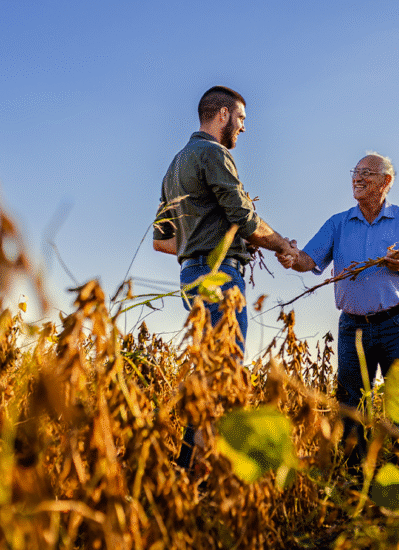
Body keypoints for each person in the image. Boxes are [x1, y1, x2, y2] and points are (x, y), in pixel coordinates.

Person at [153, 85, 297, 469]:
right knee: (223, 375)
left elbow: (161, 241)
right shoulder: (212, 153)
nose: (244, 128)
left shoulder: (174, 167)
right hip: (219, 278)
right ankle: (207, 474)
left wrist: (201, 242)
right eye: (242, 119)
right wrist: (282, 245)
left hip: (191, 275)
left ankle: (185, 466)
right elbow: (245, 217)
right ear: (222, 115)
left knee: (207, 372)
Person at [278, 152, 399, 471]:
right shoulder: (338, 224)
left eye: (367, 173)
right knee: (351, 403)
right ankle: (355, 475)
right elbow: (309, 261)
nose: (358, 178)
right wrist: (290, 254)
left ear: (386, 181)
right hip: (353, 327)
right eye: (355, 172)